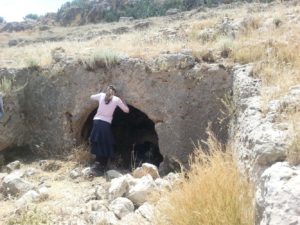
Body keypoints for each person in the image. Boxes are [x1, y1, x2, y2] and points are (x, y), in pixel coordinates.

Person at [89, 85, 129, 173]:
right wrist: (124, 102)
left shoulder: (102, 95)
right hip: (105, 124)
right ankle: (101, 164)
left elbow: (91, 97)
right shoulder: (116, 99)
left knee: (98, 142)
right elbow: (126, 110)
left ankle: (98, 163)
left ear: (107, 90)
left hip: (96, 122)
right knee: (105, 143)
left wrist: (100, 92)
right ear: (115, 92)